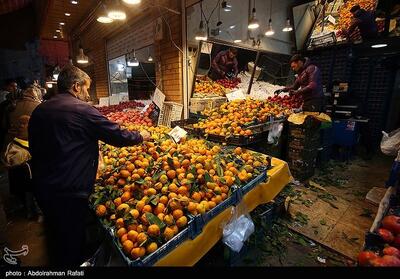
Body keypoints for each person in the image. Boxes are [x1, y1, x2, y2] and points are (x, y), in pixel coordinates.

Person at [28, 65, 150, 267]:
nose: (87, 94)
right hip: (69, 191)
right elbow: (116, 135)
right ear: (76, 86)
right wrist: (140, 136)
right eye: (86, 89)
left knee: (57, 237)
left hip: (43, 187)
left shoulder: (40, 110)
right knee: (71, 242)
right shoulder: (81, 110)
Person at [2, 115, 43, 221]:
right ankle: (38, 214)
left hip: (26, 180)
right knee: (33, 193)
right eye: (29, 124)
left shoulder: (18, 143)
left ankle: (31, 212)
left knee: (30, 193)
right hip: (28, 179)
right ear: (23, 126)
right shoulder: (19, 149)